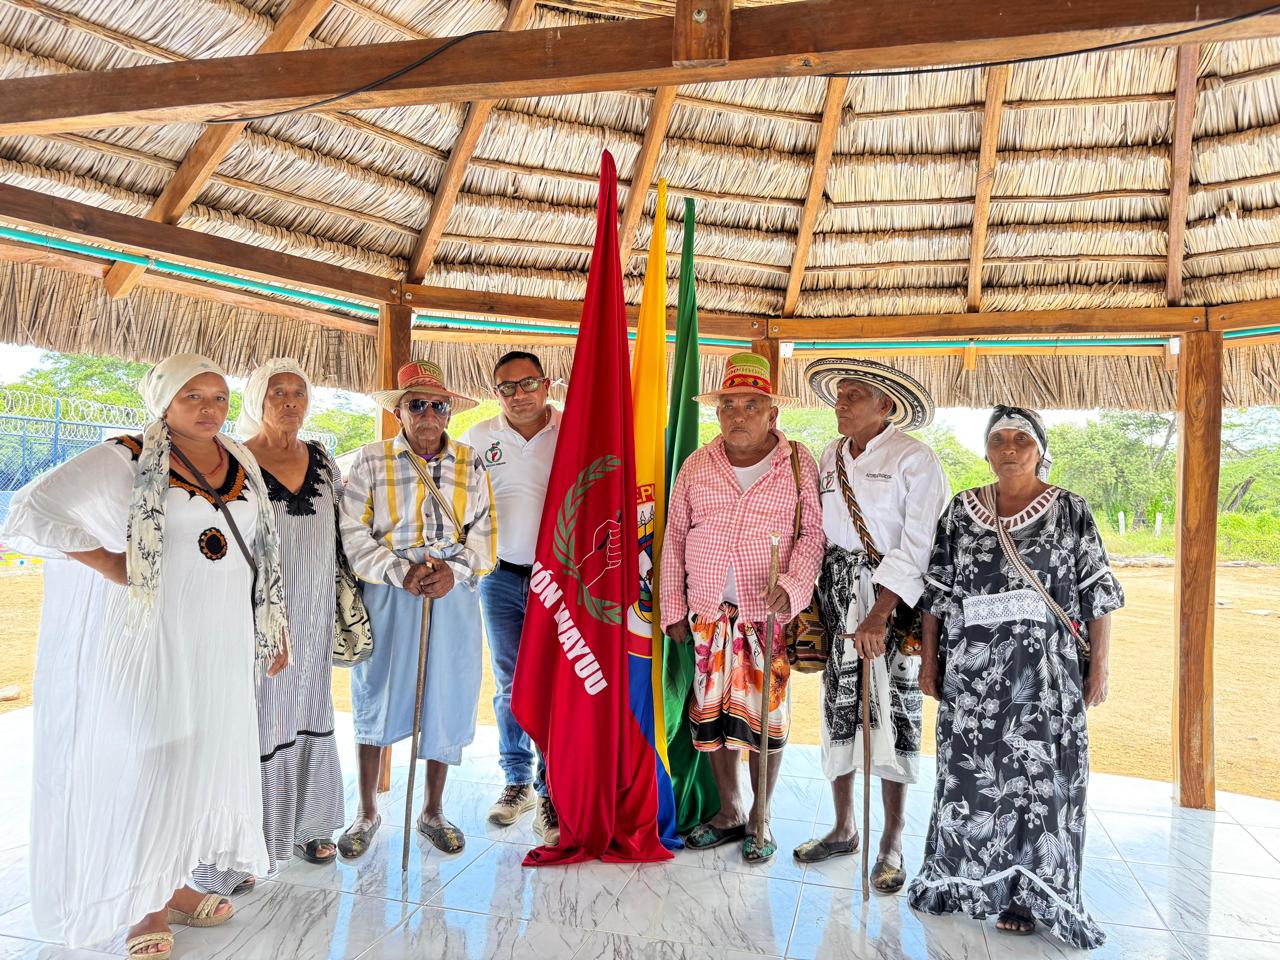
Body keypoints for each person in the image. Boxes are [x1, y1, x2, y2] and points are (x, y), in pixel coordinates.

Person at [2, 353, 289, 958]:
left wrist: (272, 627)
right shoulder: (126, 456)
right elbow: (31, 508)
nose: (209, 409)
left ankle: (178, 884)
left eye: (217, 396)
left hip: (221, 637)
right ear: (162, 400)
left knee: (199, 755)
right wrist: (108, 561)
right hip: (153, 639)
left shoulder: (239, 457)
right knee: (159, 758)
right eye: (193, 397)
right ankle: (145, 907)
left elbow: (261, 547)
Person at [907, 405, 1121, 949]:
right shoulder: (960, 511)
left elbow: (1097, 592)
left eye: (1020, 440)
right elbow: (937, 593)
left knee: (1040, 782)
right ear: (985, 449)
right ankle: (970, 884)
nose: (1009, 449)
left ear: (1040, 449)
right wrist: (930, 661)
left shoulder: (1071, 509)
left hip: (1046, 678)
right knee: (972, 780)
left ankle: (1028, 892)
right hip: (974, 680)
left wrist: (1099, 666)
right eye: (998, 439)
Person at [793, 359, 949, 895]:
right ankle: (843, 828)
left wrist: (880, 611)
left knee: (896, 713)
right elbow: (817, 530)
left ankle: (892, 841)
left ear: (886, 406)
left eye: (854, 395)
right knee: (838, 709)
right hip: (836, 595)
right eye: (838, 395)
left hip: (894, 602)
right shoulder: (828, 457)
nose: (841, 403)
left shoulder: (915, 459)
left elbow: (920, 542)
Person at [190, 359, 347, 894]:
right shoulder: (234, 460)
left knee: (309, 710)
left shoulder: (324, 461)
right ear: (257, 398)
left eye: (298, 393)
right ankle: (235, 852)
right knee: (256, 722)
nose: (289, 401)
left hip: (315, 615)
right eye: (277, 391)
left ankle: (310, 827)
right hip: (255, 616)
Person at [660, 352, 823, 864]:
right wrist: (673, 607)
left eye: (751, 405)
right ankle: (729, 812)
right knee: (711, 719)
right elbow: (675, 537)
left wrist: (794, 587)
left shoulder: (797, 461)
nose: (738, 415)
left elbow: (813, 536)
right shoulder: (697, 464)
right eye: (728, 404)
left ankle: (762, 818)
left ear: (772, 414)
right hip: (707, 615)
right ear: (717, 412)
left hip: (764, 618)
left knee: (764, 723)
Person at [337, 360, 496, 857]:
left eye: (438, 405)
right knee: (377, 688)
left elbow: (487, 531)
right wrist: (396, 571)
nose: (428, 413)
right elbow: (351, 532)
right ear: (400, 411)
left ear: (449, 412)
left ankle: (432, 810)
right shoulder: (368, 460)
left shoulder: (473, 463)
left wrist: (458, 571)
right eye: (417, 404)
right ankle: (365, 811)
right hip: (389, 589)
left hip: (451, 592)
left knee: (445, 695)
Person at [461, 351, 562, 844]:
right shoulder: (478, 438)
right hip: (498, 578)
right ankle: (517, 781)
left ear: (546, 384)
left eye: (528, 384)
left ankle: (552, 789)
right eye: (507, 387)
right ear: (495, 391)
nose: (519, 394)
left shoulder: (572, 428)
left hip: (560, 581)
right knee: (508, 683)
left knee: (554, 685)